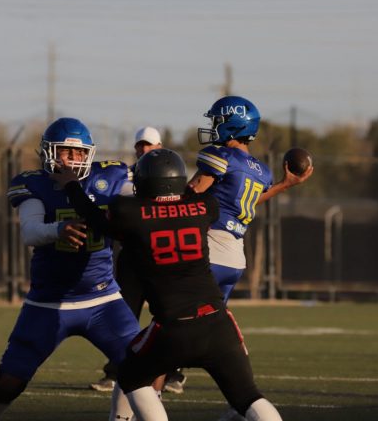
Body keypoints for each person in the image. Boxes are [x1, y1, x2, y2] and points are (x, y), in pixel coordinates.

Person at [55, 148, 283, 421]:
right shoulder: (205, 207)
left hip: (174, 326)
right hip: (218, 321)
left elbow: (94, 218)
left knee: (129, 375)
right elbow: (200, 199)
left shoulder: (129, 212)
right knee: (248, 396)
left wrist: (71, 185)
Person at [0, 117, 141, 421]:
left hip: (103, 299)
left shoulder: (111, 177)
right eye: (67, 152)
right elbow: (30, 232)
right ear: (49, 153)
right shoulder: (34, 183)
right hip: (48, 301)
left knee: (143, 364)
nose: (74, 159)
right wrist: (59, 229)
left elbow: (145, 200)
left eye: (80, 153)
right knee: (8, 381)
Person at [91, 125, 190, 394]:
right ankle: (115, 372)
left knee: (170, 314)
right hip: (132, 255)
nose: (145, 149)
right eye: (140, 145)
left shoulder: (170, 175)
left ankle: (173, 373)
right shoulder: (124, 176)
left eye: (149, 145)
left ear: (160, 147)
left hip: (162, 255)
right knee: (125, 315)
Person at [191, 95, 313, 302]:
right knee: (211, 318)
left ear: (233, 125)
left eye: (217, 121)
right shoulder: (262, 171)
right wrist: (285, 184)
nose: (213, 126)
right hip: (235, 261)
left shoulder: (223, 156)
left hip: (210, 250)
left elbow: (191, 194)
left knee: (176, 313)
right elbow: (247, 199)